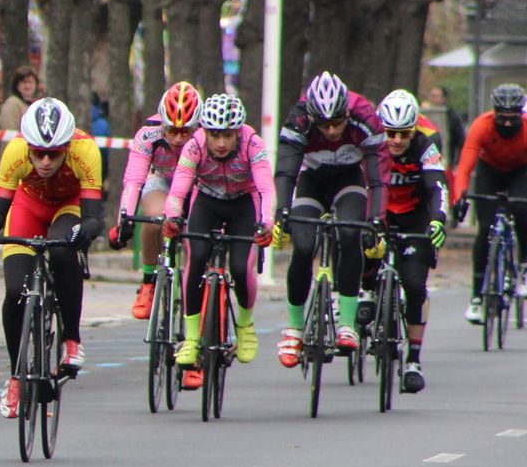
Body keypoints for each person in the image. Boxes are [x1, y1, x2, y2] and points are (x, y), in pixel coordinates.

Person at [0, 97, 104, 418]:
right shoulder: (15, 151)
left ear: (67, 147)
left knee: (61, 249)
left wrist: (87, 230)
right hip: (28, 207)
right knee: (16, 291)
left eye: (54, 154)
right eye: (38, 153)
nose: (45, 161)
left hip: (68, 207)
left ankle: (71, 339)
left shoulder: (85, 151)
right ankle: (16, 376)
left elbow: (93, 216)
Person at [271, 71, 384, 367]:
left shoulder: (364, 115)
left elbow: (377, 176)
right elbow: (286, 169)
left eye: (337, 123)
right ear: (312, 117)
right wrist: (282, 210)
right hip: (311, 180)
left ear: (348, 112)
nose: (332, 131)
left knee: (350, 233)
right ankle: (294, 329)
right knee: (304, 245)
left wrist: (376, 219)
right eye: (324, 125)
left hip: (349, 179)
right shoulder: (299, 117)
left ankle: (347, 323)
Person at [160, 94, 274, 388]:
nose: (221, 143)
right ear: (205, 132)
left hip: (243, 203)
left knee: (240, 266)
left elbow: (265, 188)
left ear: (238, 132)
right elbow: (178, 190)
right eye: (214, 135)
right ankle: (191, 338)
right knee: (196, 257)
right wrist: (172, 216)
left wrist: (266, 222)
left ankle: (245, 324)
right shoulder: (195, 145)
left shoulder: (253, 144)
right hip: (207, 201)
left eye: (227, 135)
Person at [108, 81, 203, 320]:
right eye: (172, 131)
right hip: (161, 179)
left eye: (185, 131)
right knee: (153, 219)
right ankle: (149, 281)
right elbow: (133, 181)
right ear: (162, 124)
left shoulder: (206, 135)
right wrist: (124, 219)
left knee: (196, 236)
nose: (179, 138)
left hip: (197, 184)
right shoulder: (148, 133)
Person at [373, 90, 448, 392]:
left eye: (404, 133)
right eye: (391, 133)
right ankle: (365, 297)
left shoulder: (425, 146)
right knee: (356, 247)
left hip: (414, 217)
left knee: (415, 285)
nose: (397, 140)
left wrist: (437, 220)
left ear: (414, 130)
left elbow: (437, 186)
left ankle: (413, 360)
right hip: (379, 213)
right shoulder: (371, 146)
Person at [450, 83, 527, 323]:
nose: (506, 123)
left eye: (512, 119)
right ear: (494, 114)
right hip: (490, 171)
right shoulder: (481, 126)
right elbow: (464, 168)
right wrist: (459, 196)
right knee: (484, 231)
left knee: (522, 209)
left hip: (521, 171)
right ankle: (477, 298)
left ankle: (523, 268)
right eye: (501, 118)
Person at [0, 65, 39, 133]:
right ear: (16, 84)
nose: (27, 86)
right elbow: (9, 133)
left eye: (30, 82)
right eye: (23, 82)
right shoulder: (12, 104)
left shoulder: (34, 104)